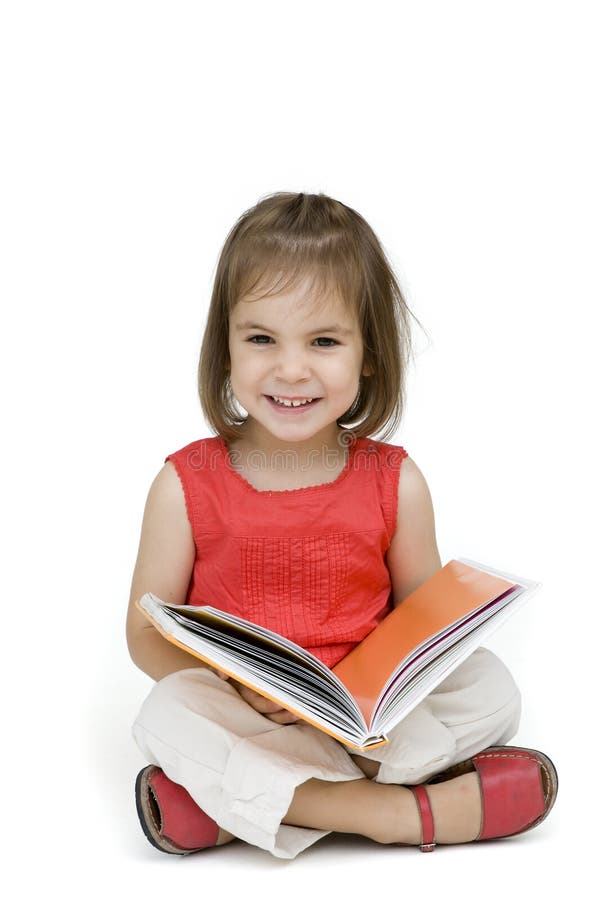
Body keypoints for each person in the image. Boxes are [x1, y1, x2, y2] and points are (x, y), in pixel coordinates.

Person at [126, 191, 557, 859]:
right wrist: (235, 686)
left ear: (367, 355)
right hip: (255, 717)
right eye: (261, 338)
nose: (290, 368)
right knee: (167, 713)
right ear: (226, 349)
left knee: (490, 688)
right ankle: (391, 813)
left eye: (323, 341)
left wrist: (393, 680)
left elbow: (425, 626)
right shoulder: (184, 483)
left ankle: (245, 805)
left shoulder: (396, 480)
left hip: (364, 725)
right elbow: (144, 637)